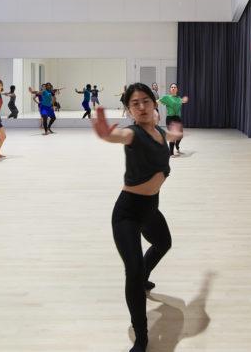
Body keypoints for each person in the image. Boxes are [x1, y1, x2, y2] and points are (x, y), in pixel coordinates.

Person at [92, 83, 183, 352]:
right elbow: (117, 136)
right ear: (129, 109)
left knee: (163, 243)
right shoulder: (131, 134)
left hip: (150, 209)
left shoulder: (159, 132)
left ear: (155, 103)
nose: (141, 107)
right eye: (135, 103)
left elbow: (168, 135)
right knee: (132, 271)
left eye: (146, 101)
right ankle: (142, 336)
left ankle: (144, 278)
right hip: (127, 214)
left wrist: (176, 132)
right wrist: (106, 135)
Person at [158, 83, 189, 156]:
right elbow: (157, 101)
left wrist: (184, 100)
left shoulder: (179, 99)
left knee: (180, 136)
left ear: (177, 89)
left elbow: (182, 101)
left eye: (175, 87)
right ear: (170, 89)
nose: (173, 88)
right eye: (172, 87)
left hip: (177, 118)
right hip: (170, 118)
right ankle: (171, 153)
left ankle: (177, 145)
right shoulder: (166, 97)